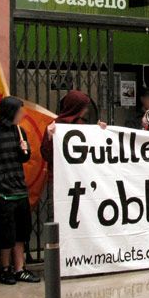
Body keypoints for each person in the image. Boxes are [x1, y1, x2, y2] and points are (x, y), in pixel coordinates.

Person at [0, 97, 40, 284]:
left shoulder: (20, 132)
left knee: (21, 233)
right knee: (5, 235)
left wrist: (24, 151)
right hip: (3, 193)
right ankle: (5, 268)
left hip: (20, 190)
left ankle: (20, 269)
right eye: (20, 111)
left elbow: (24, 159)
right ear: (11, 112)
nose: (23, 114)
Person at [41, 90, 106, 221]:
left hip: (80, 181)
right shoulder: (54, 126)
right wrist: (49, 137)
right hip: (59, 181)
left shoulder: (82, 126)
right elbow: (46, 155)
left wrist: (100, 132)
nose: (86, 111)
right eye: (83, 107)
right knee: (59, 218)